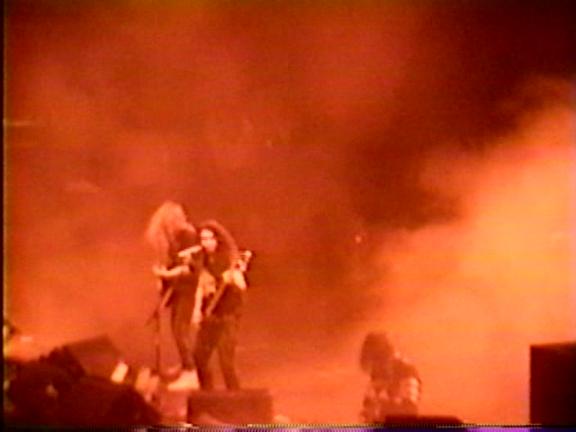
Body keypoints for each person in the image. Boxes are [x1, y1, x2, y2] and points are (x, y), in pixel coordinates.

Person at [186, 220, 250, 391]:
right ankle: (207, 394)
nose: (205, 243)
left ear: (217, 239)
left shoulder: (228, 258)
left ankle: (235, 397)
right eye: (203, 239)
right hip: (210, 313)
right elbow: (201, 286)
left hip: (228, 313)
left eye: (209, 239)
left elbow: (242, 285)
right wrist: (196, 311)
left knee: (226, 361)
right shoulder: (204, 259)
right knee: (199, 356)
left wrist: (232, 279)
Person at [145, 201, 200, 391]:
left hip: (189, 289)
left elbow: (189, 268)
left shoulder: (188, 236)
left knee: (180, 330)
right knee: (176, 328)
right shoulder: (175, 239)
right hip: (179, 289)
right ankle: (186, 366)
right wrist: (162, 277)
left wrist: (166, 274)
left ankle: (191, 372)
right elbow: (173, 264)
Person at [359, 332, 421, 423]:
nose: (374, 368)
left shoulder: (407, 371)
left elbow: (410, 409)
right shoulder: (378, 372)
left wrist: (380, 407)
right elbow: (368, 404)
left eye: (375, 362)